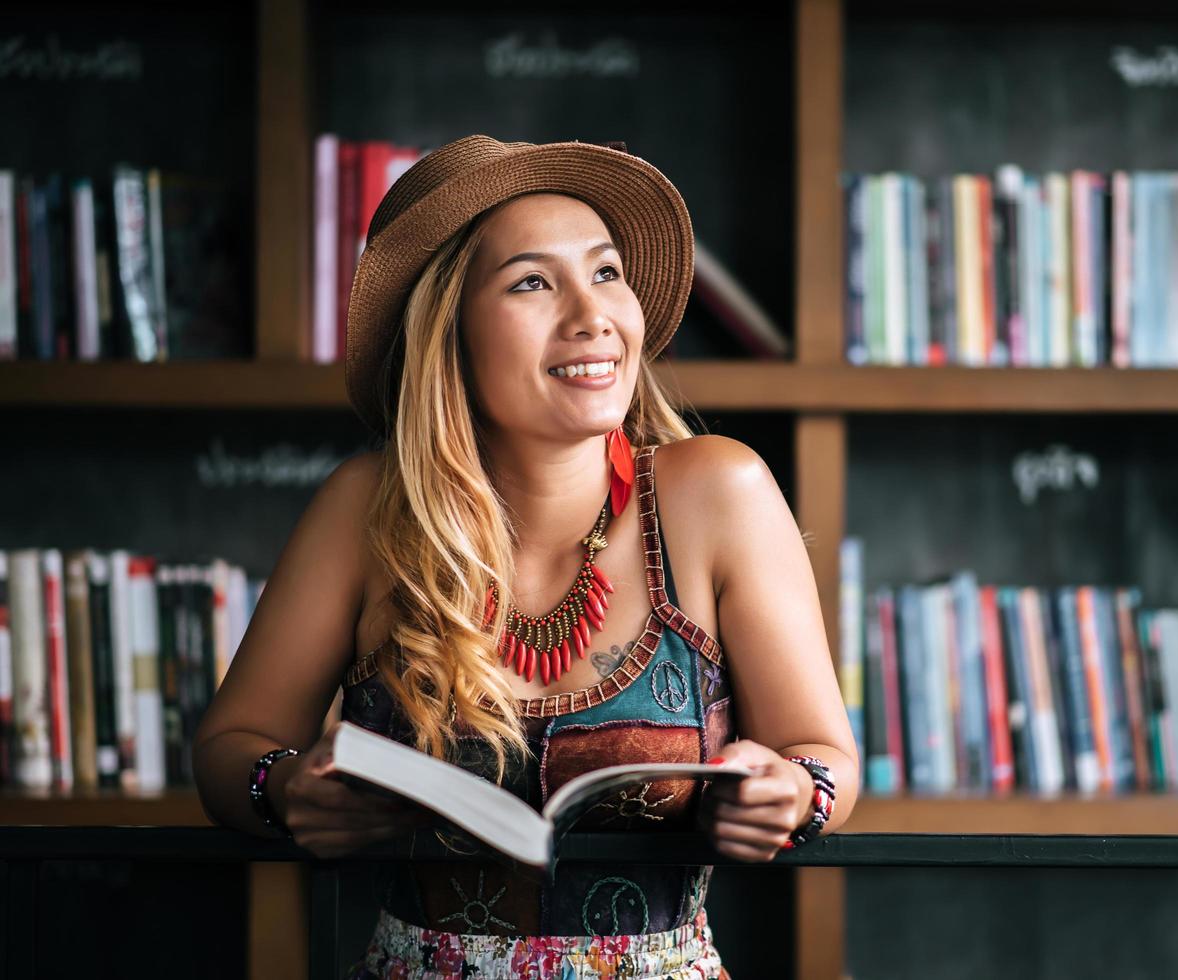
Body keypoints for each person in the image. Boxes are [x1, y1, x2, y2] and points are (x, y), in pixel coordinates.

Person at [193, 135, 858, 979]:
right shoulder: (363, 510)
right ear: (450, 330)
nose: (592, 315)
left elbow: (820, 749)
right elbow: (229, 748)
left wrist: (796, 795)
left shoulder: (717, 489)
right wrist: (283, 790)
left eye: (607, 273)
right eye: (533, 282)